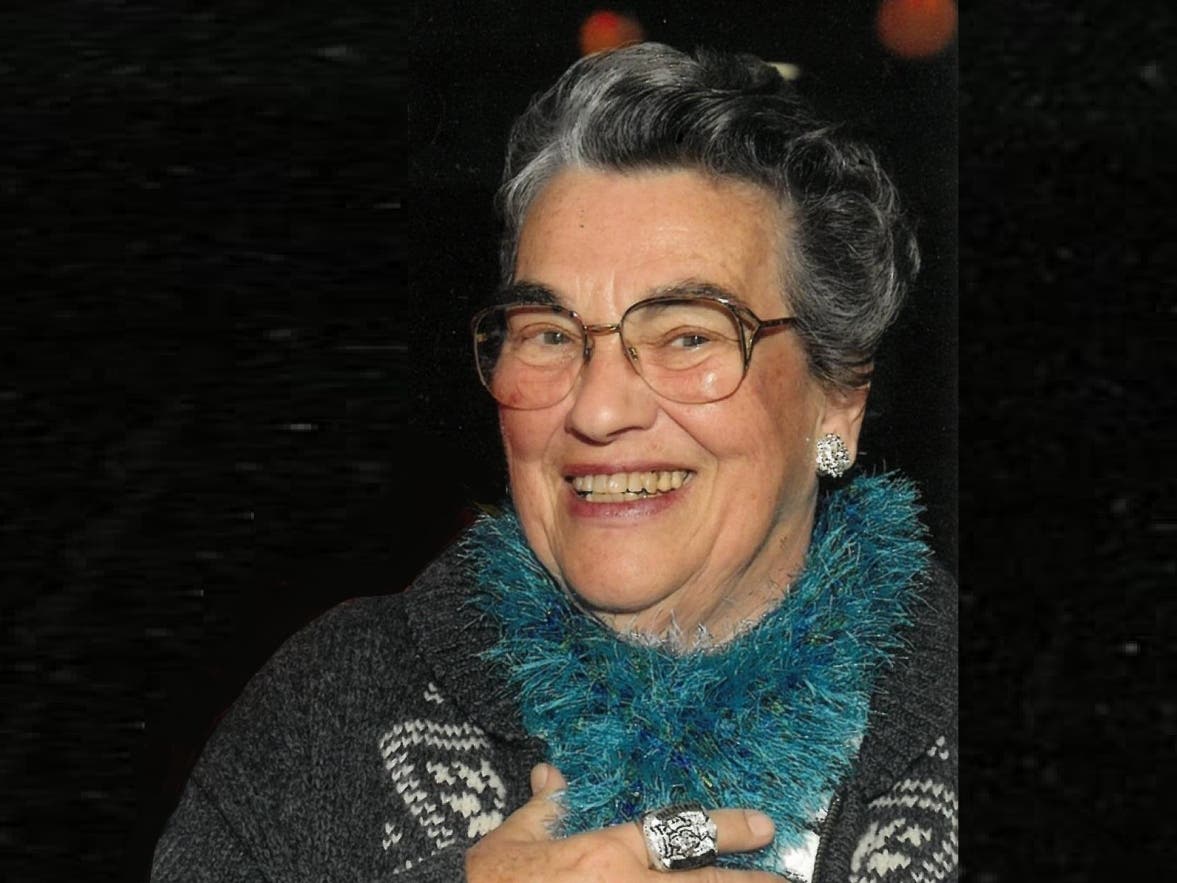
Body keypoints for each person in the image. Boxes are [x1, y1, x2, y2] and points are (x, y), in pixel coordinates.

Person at [150, 42, 956, 882]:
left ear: (838, 397)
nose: (597, 410)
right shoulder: (330, 705)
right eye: (548, 334)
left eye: (688, 335)